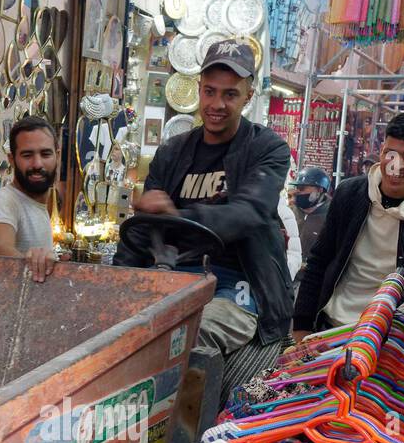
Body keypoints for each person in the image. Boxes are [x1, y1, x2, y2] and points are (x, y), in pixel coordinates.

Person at [114, 39, 293, 355]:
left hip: (239, 283)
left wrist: (176, 217)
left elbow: (249, 213)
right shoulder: (171, 152)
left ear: (248, 97)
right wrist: (118, 284)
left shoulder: (267, 149)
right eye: (210, 91)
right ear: (199, 89)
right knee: (118, 332)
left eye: (230, 94)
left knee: (192, 335)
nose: (217, 104)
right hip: (175, 276)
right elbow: (142, 230)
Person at [292, 111, 404, 341]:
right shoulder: (350, 194)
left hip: (395, 341)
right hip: (332, 328)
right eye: (391, 153)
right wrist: (301, 326)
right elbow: (319, 261)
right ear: (382, 150)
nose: (396, 165)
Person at [0, 117, 59, 283]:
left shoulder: (37, 203)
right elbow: (0, 248)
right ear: (12, 159)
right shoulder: (3, 200)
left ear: (57, 156)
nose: (37, 164)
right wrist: (35, 262)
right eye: (27, 155)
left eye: (45, 154)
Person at [289, 166, 331, 266]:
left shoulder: (331, 217)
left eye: (302, 188)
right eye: (297, 187)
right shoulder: (291, 211)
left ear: (320, 190)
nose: (297, 192)